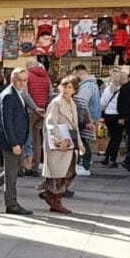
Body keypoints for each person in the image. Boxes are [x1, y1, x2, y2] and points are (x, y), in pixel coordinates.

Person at [0, 67, 33, 216]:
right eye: (18, 80)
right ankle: (12, 204)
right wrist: (14, 143)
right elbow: (6, 121)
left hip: (17, 139)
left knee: (14, 170)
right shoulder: (9, 95)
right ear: (12, 79)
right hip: (11, 140)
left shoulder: (17, 93)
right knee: (12, 175)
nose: (22, 83)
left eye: (24, 80)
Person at [39, 76, 81, 214]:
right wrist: (58, 140)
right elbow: (50, 123)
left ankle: (50, 195)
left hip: (69, 141)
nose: (67, 90)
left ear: (74, 90)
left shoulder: (72, 103)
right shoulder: (56, 103)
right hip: (59, 143)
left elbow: (75, 125)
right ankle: (55, 199)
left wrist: (79, 142)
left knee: (69, 172)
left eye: (70, 87)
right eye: (65, 86)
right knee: (58, 173)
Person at [25, 59, 52, 170]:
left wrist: (35, 107)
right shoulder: (46, 77)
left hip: (30, 110)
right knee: (37, 138)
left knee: (27, 136)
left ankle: (27, 164)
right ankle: (36, 164)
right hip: (42, 111)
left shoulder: (27, 75)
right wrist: (44, 107)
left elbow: (26, 95)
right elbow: (51, 93)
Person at [74, 65, 99, 176]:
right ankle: (84, 163)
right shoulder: (92, 84)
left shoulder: (86, 86)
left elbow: (82, 103)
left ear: (78, 73)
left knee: (82, 141)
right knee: (84, 141)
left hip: (85, 119)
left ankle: (84, 165)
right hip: (90, 117)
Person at [100, 69, 125, 167]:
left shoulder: (107, 89)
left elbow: (102, 102)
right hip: (118, 115)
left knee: (112, 137)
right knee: (116, 138)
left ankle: (106, 157)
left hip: (108, 115)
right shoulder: (123, 90)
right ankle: (112, 160)